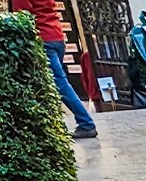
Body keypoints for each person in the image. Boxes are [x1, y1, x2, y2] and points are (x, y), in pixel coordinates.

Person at [12, 0, 98, 139]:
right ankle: (50, 125)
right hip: (57, 37)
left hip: (43, 39)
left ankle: (86, 123)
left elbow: (23, 16)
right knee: (48, 84)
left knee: (59, 83)